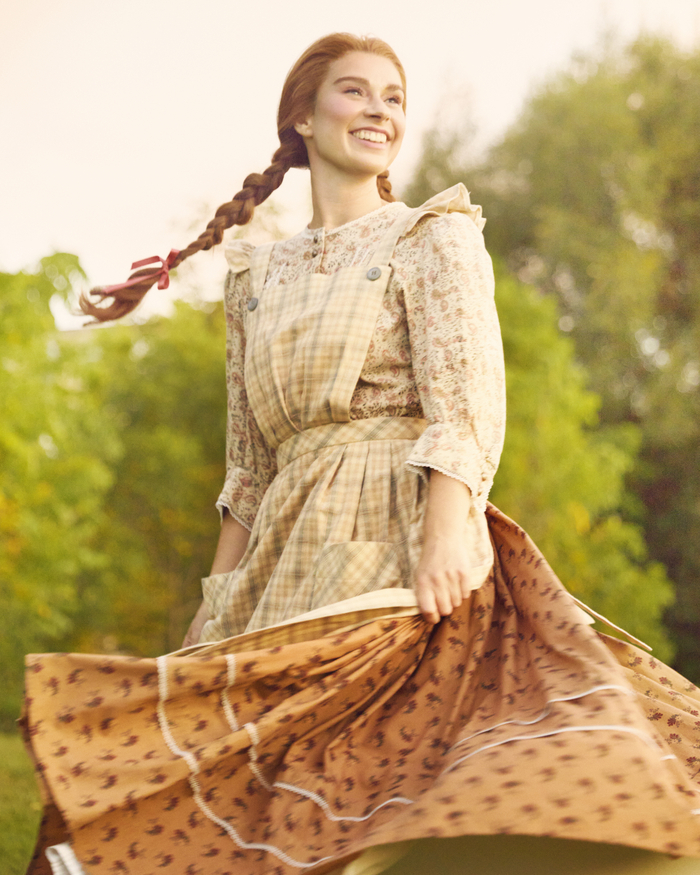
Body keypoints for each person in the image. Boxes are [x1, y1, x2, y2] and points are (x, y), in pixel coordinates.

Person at [22, 32, 700, 875]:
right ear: (303, 116)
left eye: (393, 97)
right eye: (355, 92)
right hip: (282, 548)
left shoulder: (432, 236)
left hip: (396, 529)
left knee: (367, 772)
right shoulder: (254, 277)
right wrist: (217, 596)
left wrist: (447, 535)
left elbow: (466, 397)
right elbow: (249, 464)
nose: (378, 110)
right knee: (252, 778)